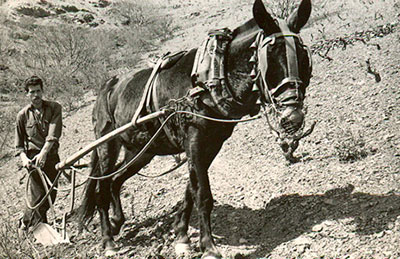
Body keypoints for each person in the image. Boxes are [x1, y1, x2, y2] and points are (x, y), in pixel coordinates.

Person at [15, 75, 62, 232]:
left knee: (52, 194)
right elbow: (19, 145)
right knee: (39, 195)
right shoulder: (22, 116)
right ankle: (41, 229)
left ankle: (25, 221)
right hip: (33, 160)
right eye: (32, 92)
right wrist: (24, 159)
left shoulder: (55, 108)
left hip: (51, 156)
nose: (36, 95)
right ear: (27, 94)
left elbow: (53, 135)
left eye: (38, 91)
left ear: (43, 91)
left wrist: (44, 153)